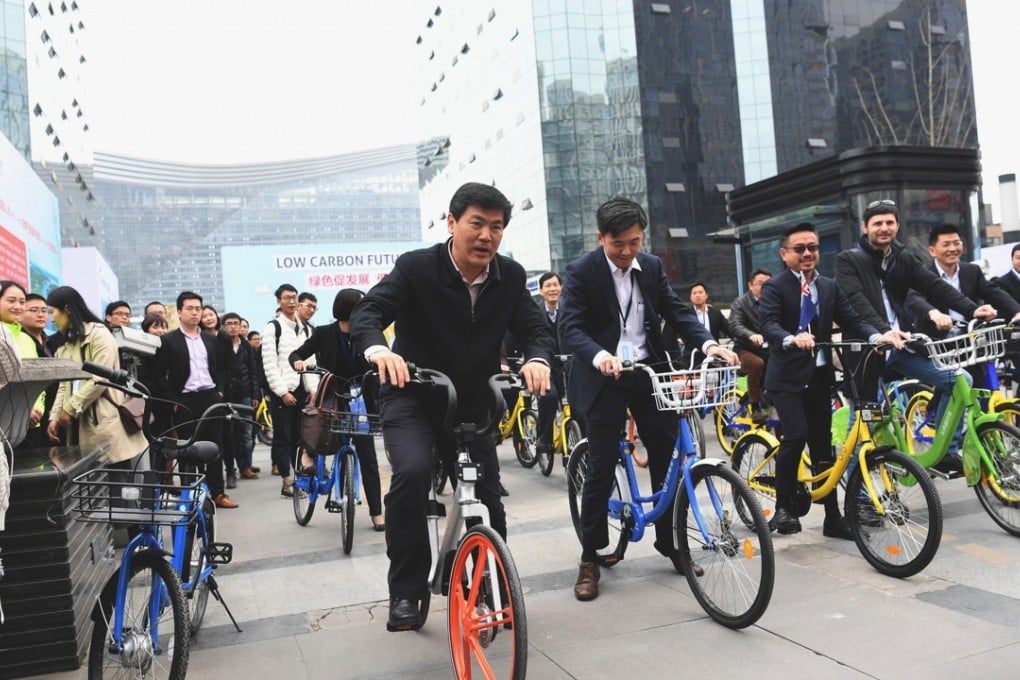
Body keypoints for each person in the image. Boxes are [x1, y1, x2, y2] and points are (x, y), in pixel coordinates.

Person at [350, 181, 553, 631]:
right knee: (413, 473)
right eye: (476, 223)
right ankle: (407, 590)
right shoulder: (416, 267)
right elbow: (369, 312)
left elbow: (535, 328)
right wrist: (379, 351)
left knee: (489, 497)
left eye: (496, 227)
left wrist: (538, 359)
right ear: (451, 222)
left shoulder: (510, 276)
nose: (486, 236)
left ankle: (491, 585)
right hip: (413, 395)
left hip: (471, 403)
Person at [558, 196, 737, 602]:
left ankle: (670, 542)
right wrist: (599, 356)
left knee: (667, 455)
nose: (626, 252)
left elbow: (677, 312)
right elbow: (570, 327)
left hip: (648, 372)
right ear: (600, 238)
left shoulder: (652, 267)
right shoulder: (582, 271)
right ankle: (589, 556)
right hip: (603, 375)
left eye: (634, 242)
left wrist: (709, 345)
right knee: (601, 462)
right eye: (618, 244)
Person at [759, 223, 904, 537]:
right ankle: (784, 507)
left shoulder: (828, 286)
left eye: (812, 247)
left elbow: (852, 318)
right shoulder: (775, 287)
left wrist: (877, 336)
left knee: (823, 446)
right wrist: (791, 338)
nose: (808, 253)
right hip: (787, 379)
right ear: (784, 254)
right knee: (796, 435)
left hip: (819, 376)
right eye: (799, 248)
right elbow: (768, 324)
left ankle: (832, 518)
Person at [834, 199, 996, 473]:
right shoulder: (848, 260)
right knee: (862, 424)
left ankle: (946, 451)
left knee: (959, 380)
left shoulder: (903, 258)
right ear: (865, 227)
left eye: (890, 222)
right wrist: (883, 331)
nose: (884, 228)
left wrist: (972, 309)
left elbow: (934, 286)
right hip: (869, 350)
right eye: (877, 223)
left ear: (897, 225)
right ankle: (856, 492)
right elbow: (855, 300)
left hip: (903, 346)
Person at [290, 288, 385, 531]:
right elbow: (298, 353)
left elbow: (382, 356)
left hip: (362, 400)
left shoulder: (368, 333)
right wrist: (298, 361)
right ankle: (307, 455)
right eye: (362, 305)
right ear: (348, 309)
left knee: (368, 458)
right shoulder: (324, 333)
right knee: (317, 432)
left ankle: (376, 513)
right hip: (333, 397)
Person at [144, 291, 237, 508]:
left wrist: (220, 391)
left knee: (215, 447)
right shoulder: (168, 341)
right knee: (187, 450)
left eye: (198, 309)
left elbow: (223, 368)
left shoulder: (211, 340)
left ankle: (218, 493)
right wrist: (173, 401)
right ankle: (189, 496)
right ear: (179, 312)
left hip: (211, 397)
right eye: (190, 309)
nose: (195, 313)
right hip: (184, 400)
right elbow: (158, 375)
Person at [46, 286, 148, 469]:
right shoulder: (65, 345)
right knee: (87, 480)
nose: (51, 318)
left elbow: (100, 379)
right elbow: (64, 386)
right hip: (76, 423)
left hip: (104, 419)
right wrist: (54, 416)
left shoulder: (99, 334)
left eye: (52, 311)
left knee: (115, 477)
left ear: (67, 309)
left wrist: (69, 409)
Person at [907, 224, 1020, 386]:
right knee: (943, 391)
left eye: (956, 243)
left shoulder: (972, 271)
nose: (952, 249)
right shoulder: (924, 274)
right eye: (946, 244)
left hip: (969, 344)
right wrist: (934, 314)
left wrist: (1016, 311)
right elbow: (914, 298)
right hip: (936, 346)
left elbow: (993, 292)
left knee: (981, 389)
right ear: (932, 250)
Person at [261, 283, 315, 494]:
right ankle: (287, 481)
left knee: (299, 439)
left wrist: (313, 389)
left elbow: (311, 361)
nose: (291, 301)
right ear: (279, 301)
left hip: (303, 390)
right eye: (286, 298)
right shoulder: (273, 327)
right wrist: (282, 392)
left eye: (294, 297)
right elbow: (269, 364)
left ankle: (298, 478)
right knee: (283, 438)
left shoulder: (306, 329)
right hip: (282, 391)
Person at [1, 282, 46, 443]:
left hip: (30, 423)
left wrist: (37, 408)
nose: (18, 306)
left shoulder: (27, 339)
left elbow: (39, 379)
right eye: (11, 301)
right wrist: (24, 410)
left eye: (22, 302)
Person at [533, 271, 571, 458]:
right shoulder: (535, 312)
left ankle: (583, 441)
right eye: (548, 286)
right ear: (541, 291)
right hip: (546, 366)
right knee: (549, 397)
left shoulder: (569, 310)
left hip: (568, 363)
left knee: (577, 402)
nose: (552, 289)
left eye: (555, 285)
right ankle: (545, 440)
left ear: (561, 288)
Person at [221, 312, 260, 481]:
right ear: (223, 326)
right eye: (229, 323)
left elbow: (253, 371)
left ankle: (246, 466)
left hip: (245, 393)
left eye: (236, 323)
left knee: (246, 433)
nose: (233, 326)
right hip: (227, 396)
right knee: (229, 435)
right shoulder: (219, 345)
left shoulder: (246, 346)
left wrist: (255, 394)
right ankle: (231, 468)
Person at [728, 269, 772, 422]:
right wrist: (750, 335)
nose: (764, 287)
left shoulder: (774, 302)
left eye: (768, 284)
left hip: (769, 349)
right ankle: (755, 407)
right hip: (745, 349)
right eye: (760, 284)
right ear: (750, 285)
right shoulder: (740, 303)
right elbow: (734, 324)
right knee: (757, 363)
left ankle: (759, 396)